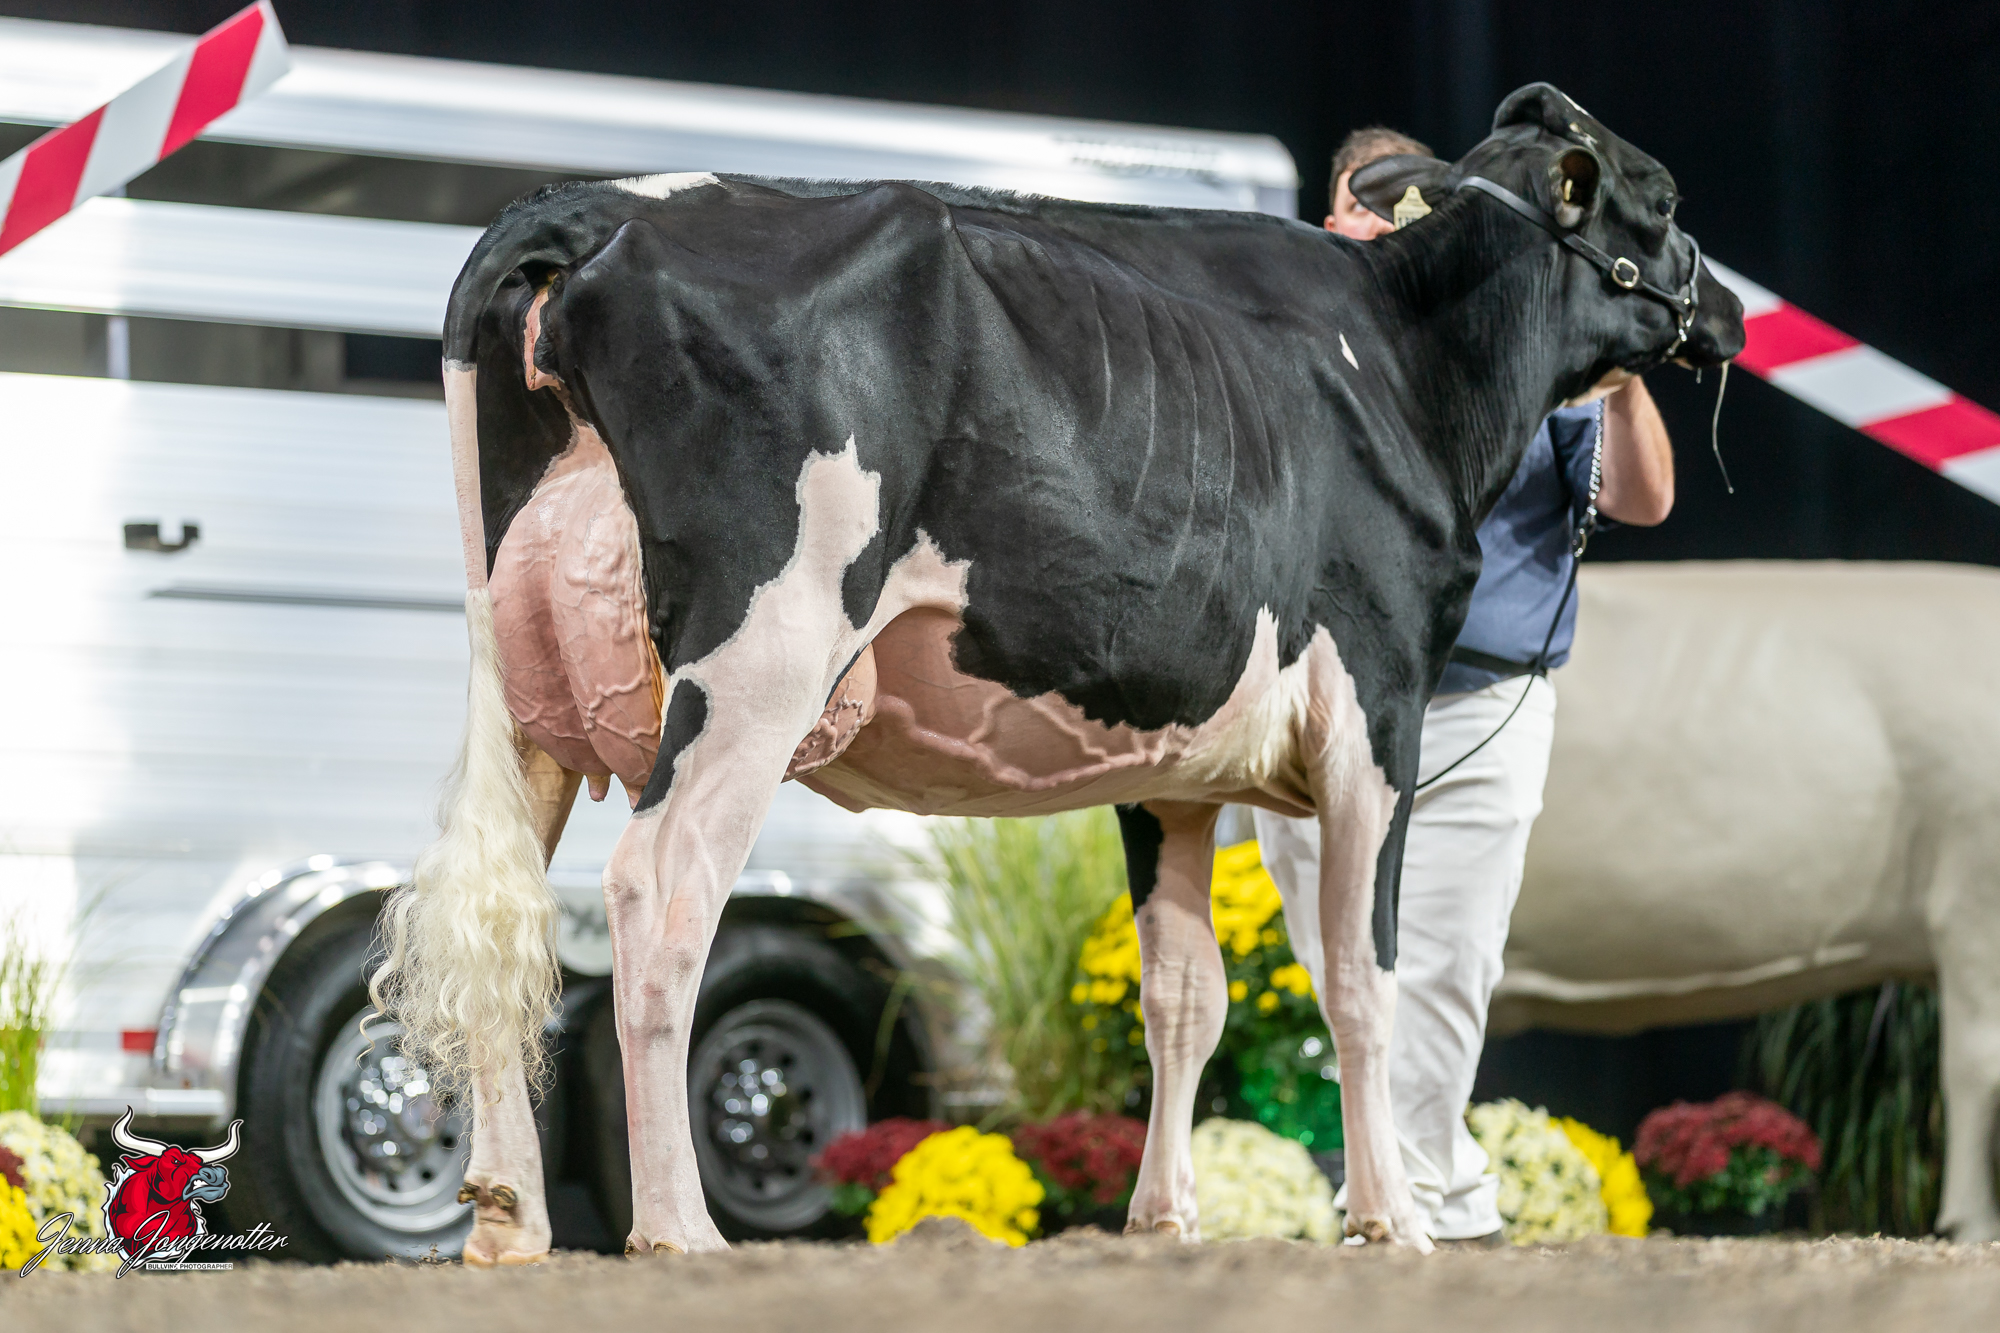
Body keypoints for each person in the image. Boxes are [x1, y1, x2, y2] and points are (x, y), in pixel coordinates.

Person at [1253, 127, 1676, 1244]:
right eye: (1366, 210)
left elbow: (1641, 500)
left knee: (1441, 969)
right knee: (1344, 970)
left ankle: (1392, 1206)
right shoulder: (1285, 345)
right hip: (1315, 706)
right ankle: (1450, 1197)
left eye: (1411, 211)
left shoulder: (1515, 336)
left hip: (1479, 702)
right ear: (1330, 224)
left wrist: (1623, 379)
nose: (1388, 230)